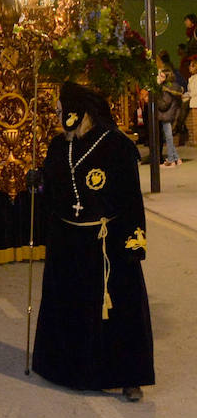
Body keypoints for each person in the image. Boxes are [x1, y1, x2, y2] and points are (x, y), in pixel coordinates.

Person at [32, 81, 155, 401]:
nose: (57, 117)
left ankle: (130, 377)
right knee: (72, 309)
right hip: (69, 241)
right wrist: (39, 184)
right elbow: (55, 192)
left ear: (75, 113)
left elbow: (131, 201)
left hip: (108, 242)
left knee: (120, 311)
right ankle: (71, 371)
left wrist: (135, 244)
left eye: (60, 112)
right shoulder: (60, 147)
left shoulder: (117, 146)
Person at [156, 65, 183, 166]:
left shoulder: (167, 88)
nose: (160, 78)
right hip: (170, 114)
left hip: (166, 115)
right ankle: (177, 158)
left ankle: (171, 160)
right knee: (168, 136)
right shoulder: (172, 86)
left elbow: (164, 105)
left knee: (168, 137)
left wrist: (156, 98)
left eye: (162, 76)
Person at [187, 58, 197, 146]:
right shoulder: (191, 78)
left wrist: (187, 95)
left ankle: (195, 140)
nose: (189, 68)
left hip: (195, 102)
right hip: (193, 102)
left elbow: (194, 91)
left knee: (195, 124)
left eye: (191, 66)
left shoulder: (195, 79)